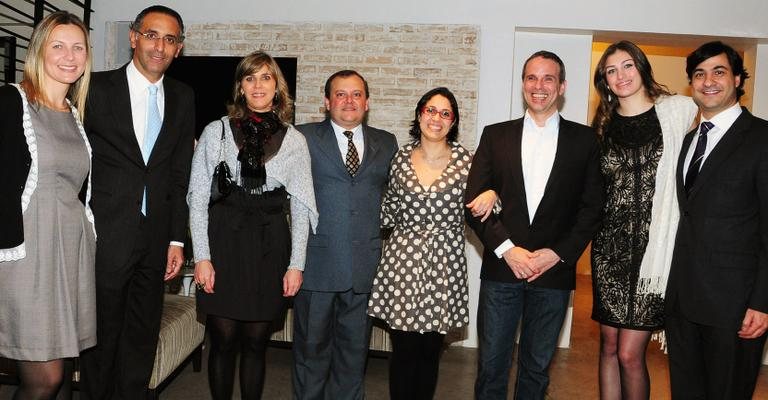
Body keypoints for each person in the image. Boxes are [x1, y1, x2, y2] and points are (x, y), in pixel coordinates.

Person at [465, 50, 604, 400]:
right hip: (501, 270)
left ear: (561, 86)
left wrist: (557, 255)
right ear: (523, 83)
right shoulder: (495, 135)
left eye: (548, 78)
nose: (538, 86)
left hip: (553, 275)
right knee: (492, 367)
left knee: (536, 369)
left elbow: (591, 210)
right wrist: (508, 251)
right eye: (531, 78)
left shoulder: (585, 140)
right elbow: (474, 203)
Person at [78, 5, 195, 399]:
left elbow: (181, 173)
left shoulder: (183, 97)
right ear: (133, 37)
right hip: (104, 234)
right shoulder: (93, 87)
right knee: (100, 335)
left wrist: (177, 240)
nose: (159, 46)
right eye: (151, 35)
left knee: (142, 335)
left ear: (179, 47)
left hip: (157, 238)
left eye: (170, 39)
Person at [187, 51, 318, 400]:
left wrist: (296, 264)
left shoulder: (295, 142)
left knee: (257, 343)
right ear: (240, 87)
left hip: (270, 245)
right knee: (224, 340)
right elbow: (197, 198)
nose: (258, 85)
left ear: (277, 88)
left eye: (265, 77)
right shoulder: (216, 133)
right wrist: (201, 256)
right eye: (250, 78)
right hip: (223, 243)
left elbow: (302, 208)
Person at [367, 87, 495, 399]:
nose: (436, 118)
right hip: (403, 264)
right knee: (405, 349)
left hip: (445, 264)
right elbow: (388, 212)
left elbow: (488, 206)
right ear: (419, 115)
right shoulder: (400, 158)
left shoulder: (469, 162)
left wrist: (493, 193)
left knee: (430, 350)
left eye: (445, 113)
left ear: (453, 122)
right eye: (430, 110)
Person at [589, 40, 698, 400]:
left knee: (629, 353)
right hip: (610, 251)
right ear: (604, 80)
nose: (620, 76)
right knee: (607, 346)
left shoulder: (677, 112)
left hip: (655, 253)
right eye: (611, 70)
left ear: (641, 68)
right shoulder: (602, 127)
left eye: (627, 66)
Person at [665, 40, 768, 399]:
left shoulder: (762, 138)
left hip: (735, 306)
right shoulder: (691, 139)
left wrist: (762, 302)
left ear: (738, 79)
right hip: (683, 302)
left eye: (719, 72)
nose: (708, 81)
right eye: (699, 74)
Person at [0, 11, 94, 399]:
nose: (69, 56)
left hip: (69, 254)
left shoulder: (74, 114)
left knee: (63, 372)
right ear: (39, 50)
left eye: (78, 47)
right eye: (58, 45)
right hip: (27, 255)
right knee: (45, 378)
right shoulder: (10, 100)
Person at [292, 70, 398, 400]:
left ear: (367, 102)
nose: (348, 101)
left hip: (365, 269)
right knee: (311, 356)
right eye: (340, 94)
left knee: (353, 358)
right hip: (317, 266)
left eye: (356, 94)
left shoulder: (387, 142)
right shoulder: (302, 137)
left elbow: (398, 196)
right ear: (327, 102)